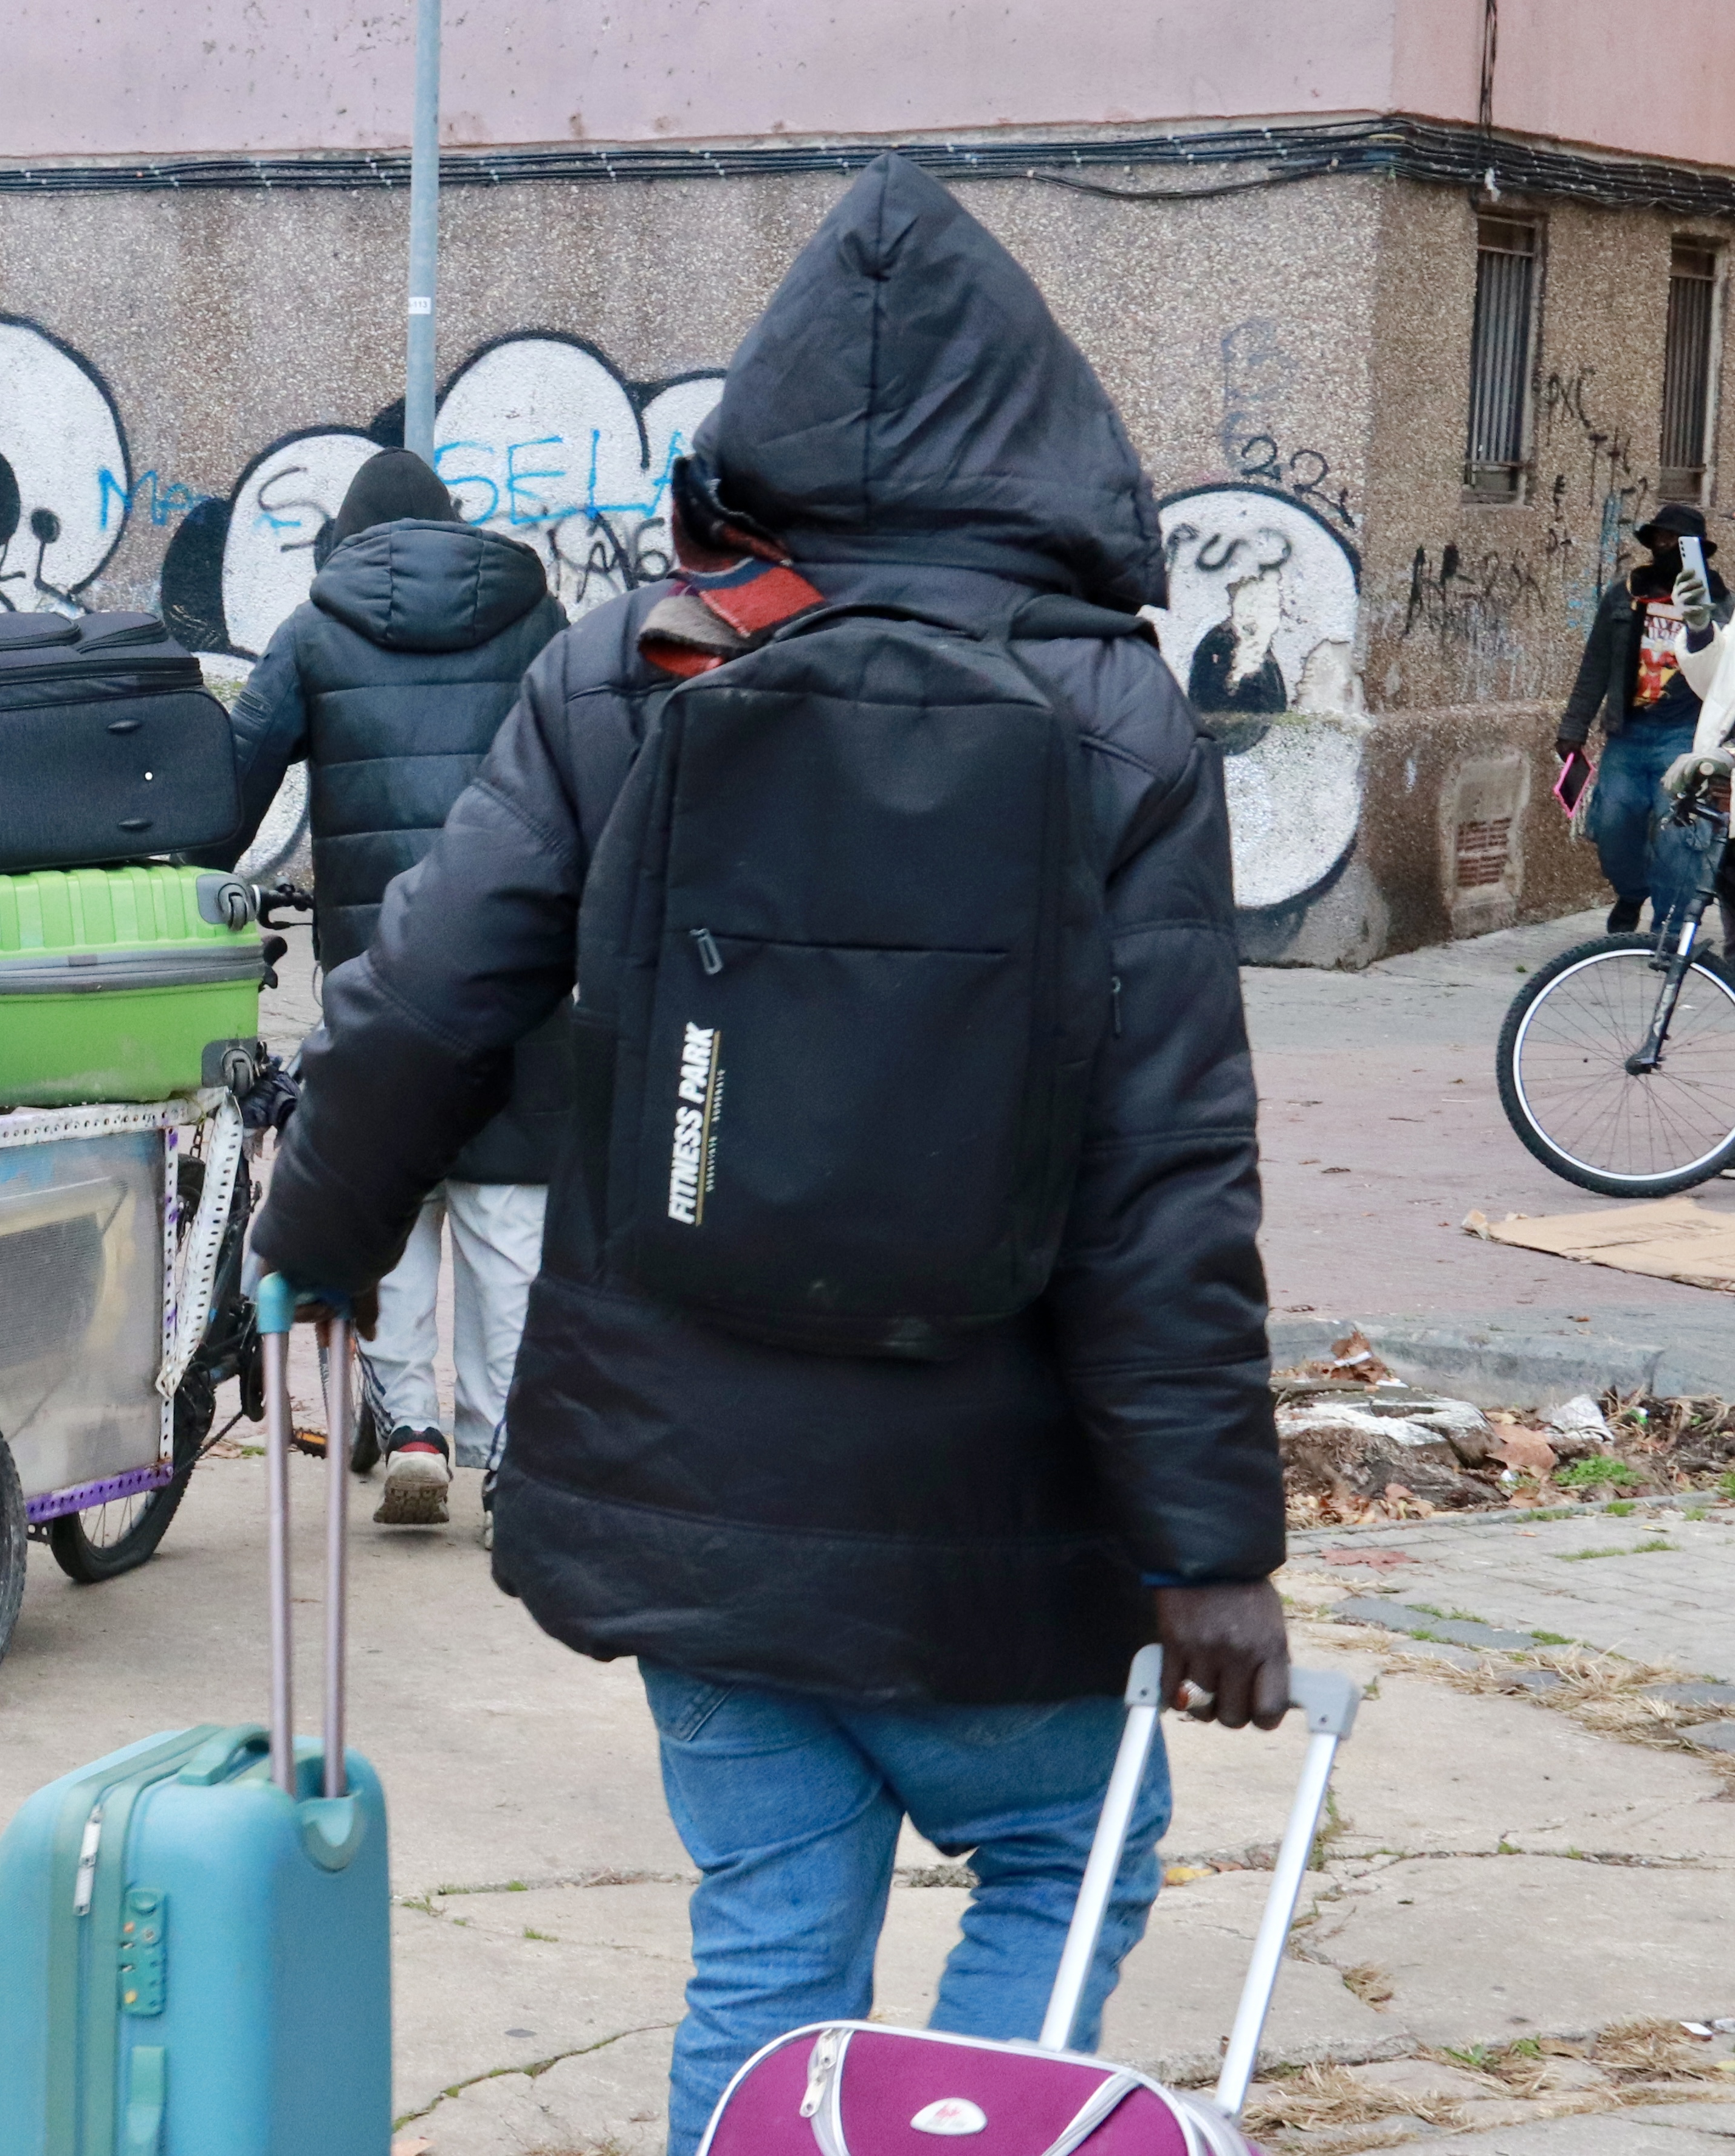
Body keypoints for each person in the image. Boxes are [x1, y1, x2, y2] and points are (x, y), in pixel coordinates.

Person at [245, 157, 1291, 2154]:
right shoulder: (1120, 721)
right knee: (1066, 1868)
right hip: (1007, 1520)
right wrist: (1209, 1540)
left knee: (767, 1943)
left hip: (686, 1486)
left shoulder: (636, 669)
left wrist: (318, 1237)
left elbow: (423, 994)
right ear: (1047, 438)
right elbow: (1168, 1171)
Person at [224, 448, 567, 1534]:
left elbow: (237, 781)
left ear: (352, 541)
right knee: (510, 1209)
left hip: (380, 965)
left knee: (397, 1197)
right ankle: (510, 1451)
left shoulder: (316, 628)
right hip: (518, 957)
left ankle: (412, 1427)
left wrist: (195, 877)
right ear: (456, 530)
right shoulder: (536, 620)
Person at [1559, 503, 1730, 932]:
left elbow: (1724, 675)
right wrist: (1573, 728)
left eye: (1676, 541)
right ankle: (1632, 892)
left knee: (1676, 833)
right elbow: (1596, 663)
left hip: (1683, 735)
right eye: (1659, 538)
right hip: (1629, 731)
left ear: (1697, 552)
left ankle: (1670, 921)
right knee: (1614, 822)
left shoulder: (1720, 605)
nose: (1664, 546)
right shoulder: (1626, 593)